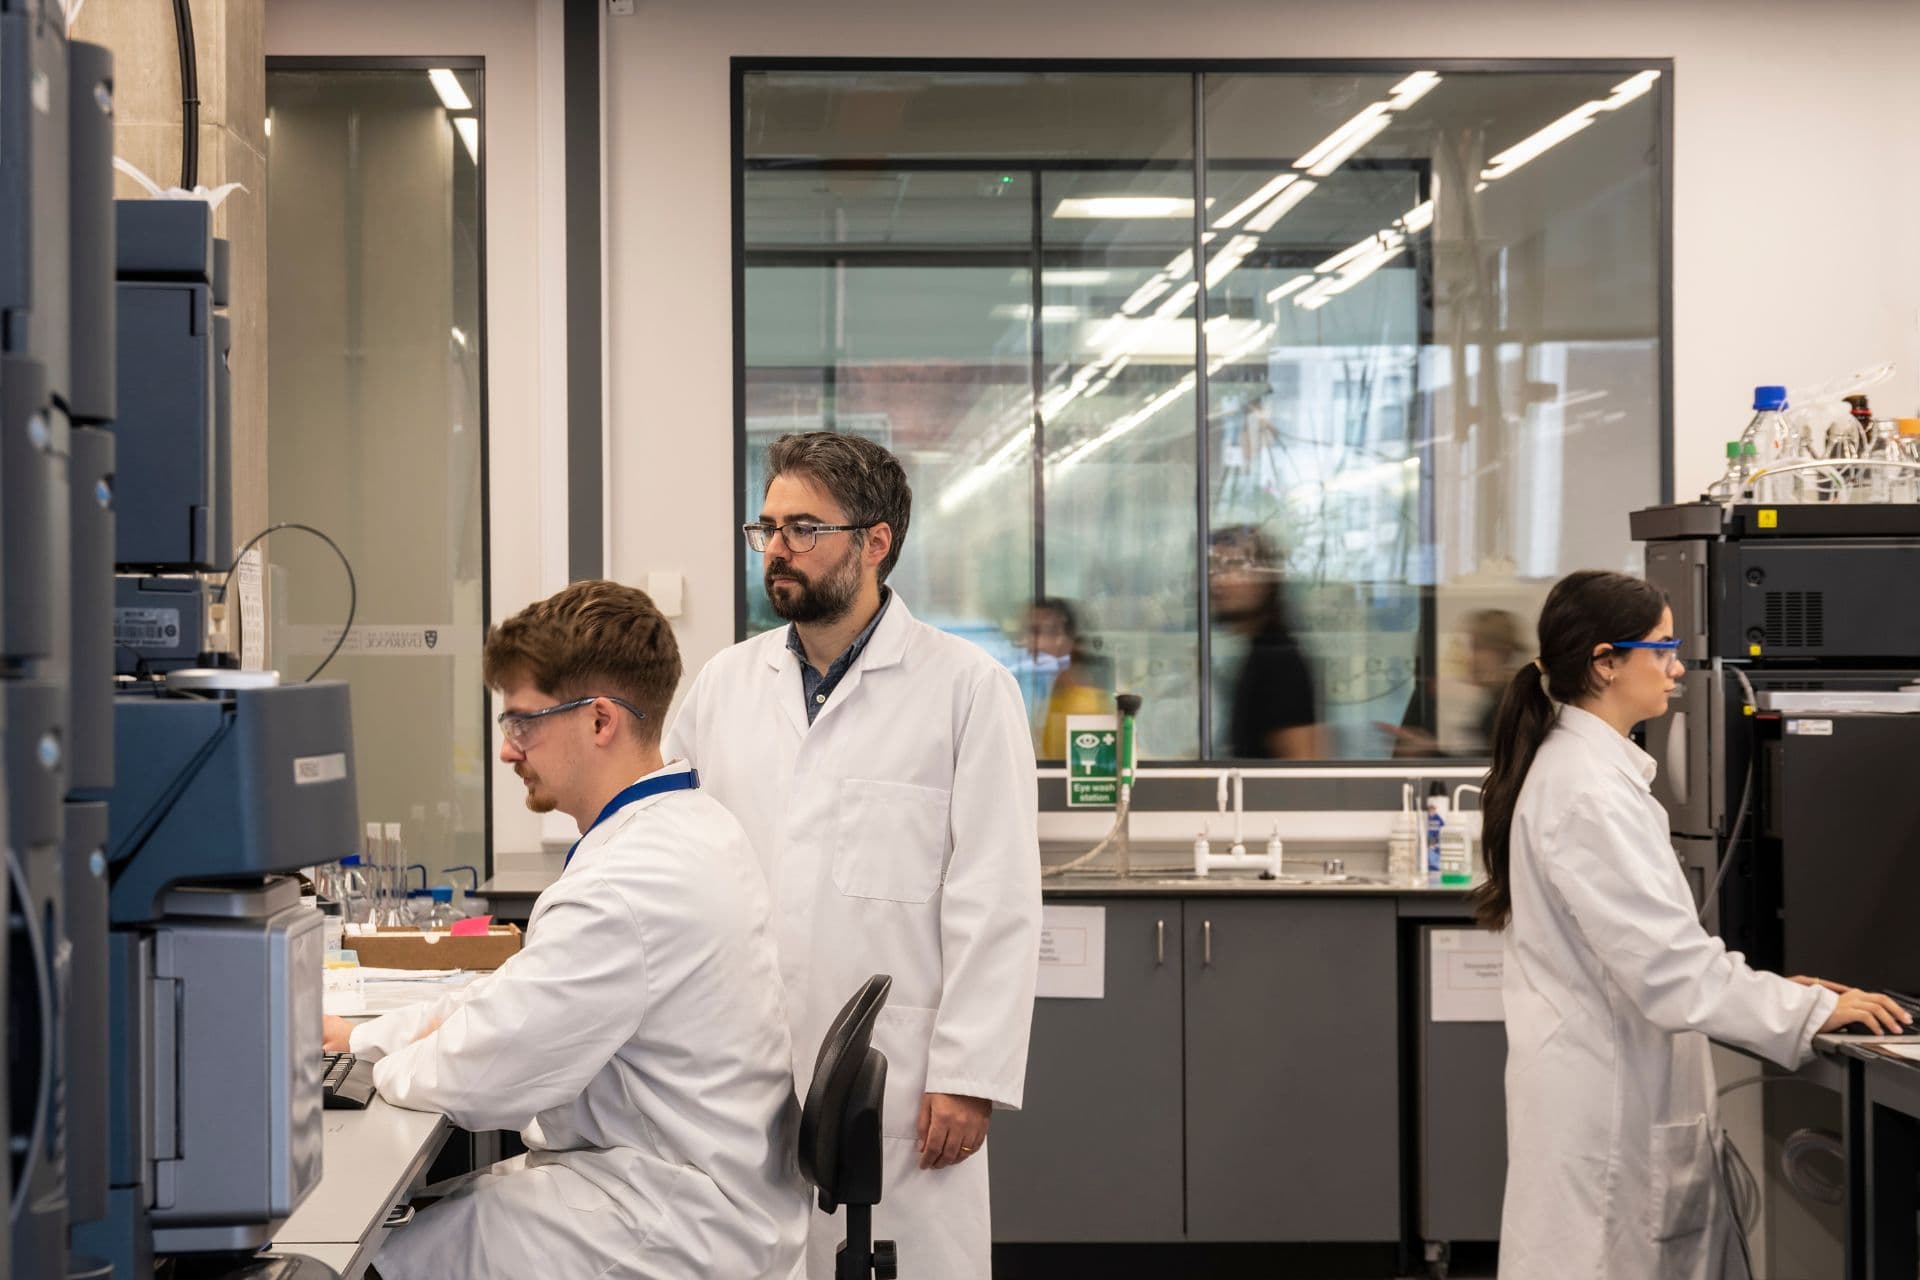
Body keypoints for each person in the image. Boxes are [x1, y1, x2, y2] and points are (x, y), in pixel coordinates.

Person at [321, 581, 808, 1279]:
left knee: (368, 1262)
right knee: (422, 1229)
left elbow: (483, 1074)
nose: (509, 752)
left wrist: (362, 1074)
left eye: (523, 723)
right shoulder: (687, 826)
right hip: (674, 1184)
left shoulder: (629, 885)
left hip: (669, 1223)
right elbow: (515, 999)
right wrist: (362, 1038)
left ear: (600, 720)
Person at [665, 431, 1041, 1280]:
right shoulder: (724, 685)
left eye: (803, 528)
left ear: (876, 541)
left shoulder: (966, 690)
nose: (778, 551)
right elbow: (669, 854)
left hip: (897, 1081)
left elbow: (999, 896)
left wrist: (970, 1072)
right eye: (767, 529)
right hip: (738, 1065)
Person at [1475, 569, 1908, 1279]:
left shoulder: (1584, 772)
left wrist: (1781, 993)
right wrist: (1808, 1009)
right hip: (1606, 1113)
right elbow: (1671, 974)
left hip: (1604, 1088)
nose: (1678, 667)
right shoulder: (1587, 792)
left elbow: (1660, 958)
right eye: (1663, 647)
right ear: (1605, 663)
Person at [1209, 525, 1324, 759]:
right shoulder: (1255, 652)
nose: (1219, 582)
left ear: (1266, 581)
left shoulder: (1279, 660)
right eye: (1214, 569)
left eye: (1235, 567)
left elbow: (1302, 768)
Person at [1021, 597, 1111, 759]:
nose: (1029, 643)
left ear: (1066, 639)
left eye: (1038, 632)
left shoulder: (1082, 704)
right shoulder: (1058, 691)